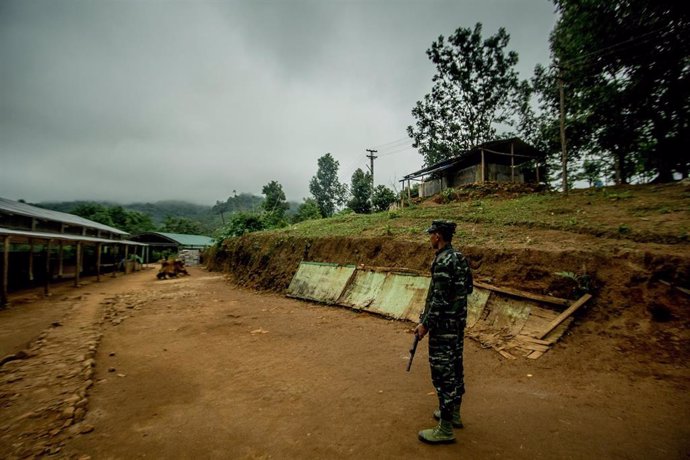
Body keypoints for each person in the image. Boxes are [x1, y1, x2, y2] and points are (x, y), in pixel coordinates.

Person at [415, 219, 473, 444]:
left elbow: (438, 299)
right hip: (457, 324)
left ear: (438, 236)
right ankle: (454, 414)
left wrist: (425, 324)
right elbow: (467, 288)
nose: (430, 237)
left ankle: (446, 428)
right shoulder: (460, 258)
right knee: (456, 367)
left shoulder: (442, 261)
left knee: (443, 373)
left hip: (443, 327)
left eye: (431, 234)